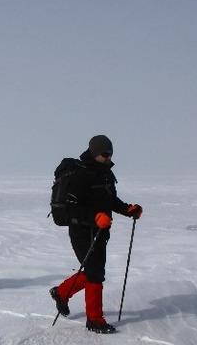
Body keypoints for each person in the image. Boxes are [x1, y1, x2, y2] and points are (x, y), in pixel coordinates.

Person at [48, 135, 143, 333]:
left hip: (100, 232)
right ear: (94, 152)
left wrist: (128, 209)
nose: (108, 158)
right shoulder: (80, 175)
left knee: (94, 272)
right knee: (95, 274)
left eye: (110, 154)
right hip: (82, 232)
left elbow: (110, 201)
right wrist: (95, 218)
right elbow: (71, 209)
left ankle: (61, 292)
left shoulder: (105, 173)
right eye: (105, 154)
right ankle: (94, 319)